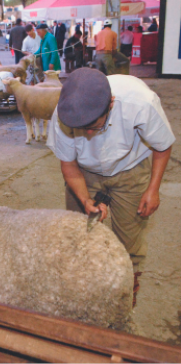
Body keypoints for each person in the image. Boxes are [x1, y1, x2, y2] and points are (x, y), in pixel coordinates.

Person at [47, 68, 175, 307]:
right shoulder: (64, 115)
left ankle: (125, 297)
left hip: (130, 170)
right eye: (80, 127)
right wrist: (85, 200)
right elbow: (69, 165)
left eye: (93, 125)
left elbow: (162, 146)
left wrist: (153, 189)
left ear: (111, 104)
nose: (86, 132)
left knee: (129, 240)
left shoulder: (140, 102)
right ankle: (84, 292)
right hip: (84, 172)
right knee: (78, 234)